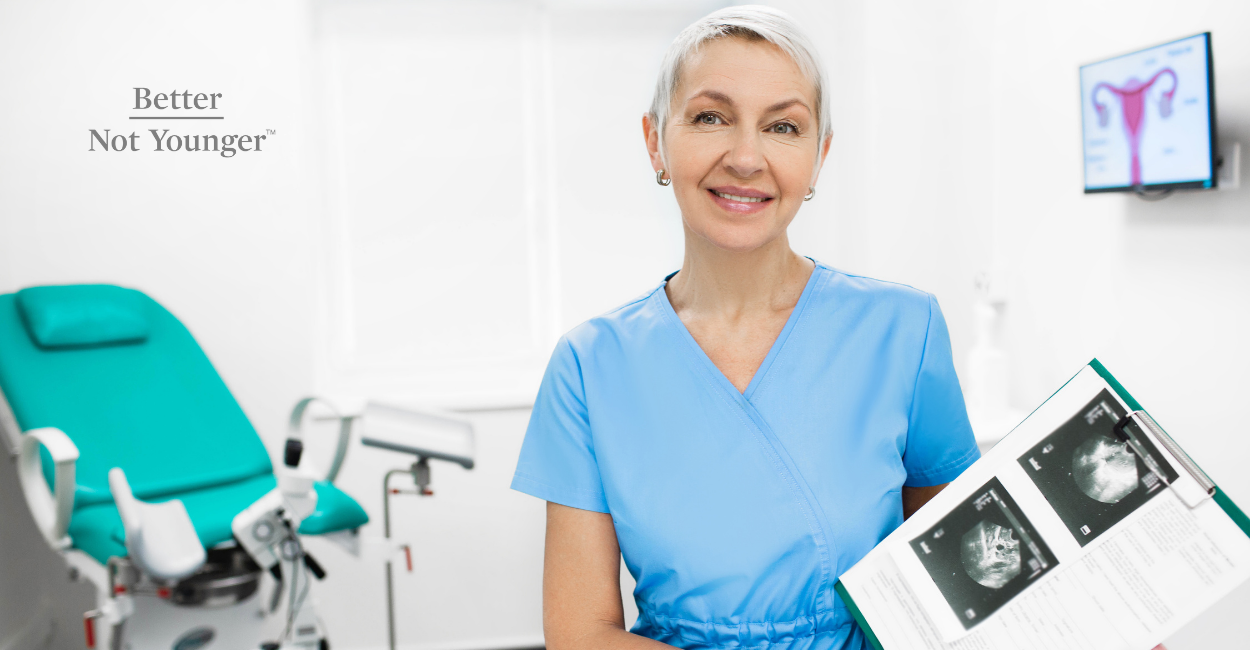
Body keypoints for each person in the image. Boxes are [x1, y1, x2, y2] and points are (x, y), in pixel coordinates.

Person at [511, 6, 980, 649]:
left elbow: (966, 582)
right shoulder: (592, 366)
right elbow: (580, 634)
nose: (746, 156)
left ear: (819, 156)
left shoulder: (903, 330)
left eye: (783, 126)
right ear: (655, 141)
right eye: (711, 117)